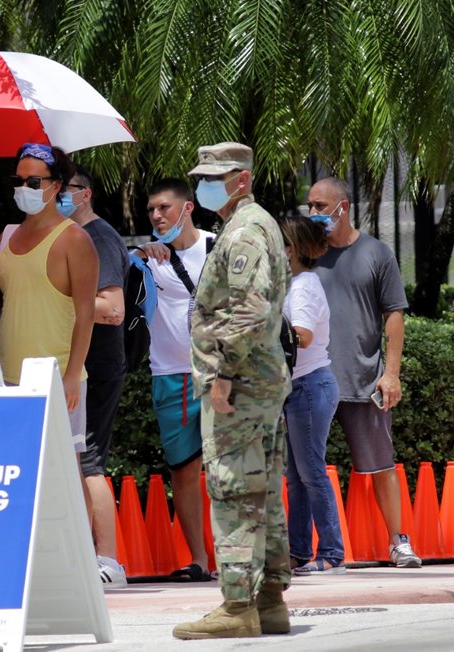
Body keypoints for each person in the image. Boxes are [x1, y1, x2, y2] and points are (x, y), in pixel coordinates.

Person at [173, 143, 292, 640]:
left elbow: (249, 309)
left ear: (240, 179)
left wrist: (223, 371)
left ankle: (238, 605)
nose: (204, 185)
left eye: (214, 177)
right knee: (261, 491)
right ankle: (268, 603)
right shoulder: (254, 223)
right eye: (201, 176)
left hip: (241, 385)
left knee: (233, 489)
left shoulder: (243, 230)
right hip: (259, 382)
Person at [309, 177, 421, 568]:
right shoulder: (307, 253)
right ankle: (308, 550)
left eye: (321, 206)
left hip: (362, 378)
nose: (314, 213)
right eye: (311, 205)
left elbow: (394, 314)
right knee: (305, 469)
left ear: (344, 206)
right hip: (310, 380)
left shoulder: (376, 253)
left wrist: (390, 373)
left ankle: (398, 541)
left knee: (381, 465)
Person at [0, 142, 98, 455]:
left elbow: (86, 313)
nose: (24, 188)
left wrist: (70, 378)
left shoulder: (75, 239)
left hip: (58, 380)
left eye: (34, 182)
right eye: (18, 181)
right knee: (15, 471)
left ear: (57, 186)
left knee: (65, 473)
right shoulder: (6, 236)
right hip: (9, 376)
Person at [135, 178, 214, 581]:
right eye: (151, 210)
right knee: (183, 471)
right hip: (171, 375)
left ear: (188, 208)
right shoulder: (148, 258)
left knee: (228, 469)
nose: (156, 215)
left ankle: (238, 555)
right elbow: (112, 267)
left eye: (164, 207)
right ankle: (199, 559)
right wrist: (138, 250)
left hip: (220, 376)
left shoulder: (219, 247)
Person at [58, 164, 129, 589]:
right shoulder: (76, 237)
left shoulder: (97, 237)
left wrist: (58, 298)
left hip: (97, 366)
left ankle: (108, 561)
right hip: (84, 364)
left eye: (63, 189)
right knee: (77, 463)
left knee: (89, 463)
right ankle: (85, 556)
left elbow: (112, 308)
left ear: (85, 194)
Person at [278, 215, 345, 575]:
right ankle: (299, 551)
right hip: (302, 386)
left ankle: (332, 553)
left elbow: (301, 335)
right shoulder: (296, 282)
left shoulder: (302, 286)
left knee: (311, 473)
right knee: (298, 475)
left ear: (290, 249)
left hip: (308, 385)